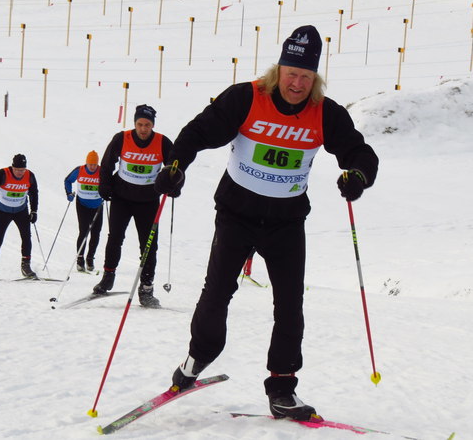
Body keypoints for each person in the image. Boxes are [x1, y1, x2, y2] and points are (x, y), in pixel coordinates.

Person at [154, 25, 379, 420]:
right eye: (292, 73)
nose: (297, 84)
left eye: (306, 77)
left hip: (286, 221)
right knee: (217, 293)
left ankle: (282, 388)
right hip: (236, 214)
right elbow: (197, 133)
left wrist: (358, 176)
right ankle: (196, 359)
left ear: (316, 78)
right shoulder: (246, 98)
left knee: (290, 304)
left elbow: (360, 153)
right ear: (279, 70)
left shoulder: (325, 112)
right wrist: (175, 165)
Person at [92, 104, 174, 308]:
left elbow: (175, 168)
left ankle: (146, 289)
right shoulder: (122, 138)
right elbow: (107, 163)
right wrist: (104, 185)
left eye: (147, 125)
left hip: (148, 201)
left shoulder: (162, 142)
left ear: (152, 125)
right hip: (122, 197)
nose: (143, 129)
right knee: (115, 238)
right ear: (135, 123)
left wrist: (173, 185)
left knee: (149, 245)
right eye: (140, 124)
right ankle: (108, 277)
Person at [0, 153, 39, 280]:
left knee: (26, 237)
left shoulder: (29, 175)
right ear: (12, 167)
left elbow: (34, 193)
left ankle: (26, 266)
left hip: (21, 211)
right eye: (17, 170)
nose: (20, 173)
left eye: (22, 170)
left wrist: (34, 211)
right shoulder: (3, 173)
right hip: (3, 211)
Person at [63, 150, 103, 272]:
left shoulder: (102, 171)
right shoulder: (79, 170)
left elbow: (109, 183)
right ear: (86, 163)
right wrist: (69, 193)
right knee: (84, 231)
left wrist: (107, 192)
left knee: (96, 233)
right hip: (82, 205)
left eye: (94, 164)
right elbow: (67, 180)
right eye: (90, 164)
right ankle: (80, 259)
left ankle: (90, 258)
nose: (92, 167)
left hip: (97, 206)